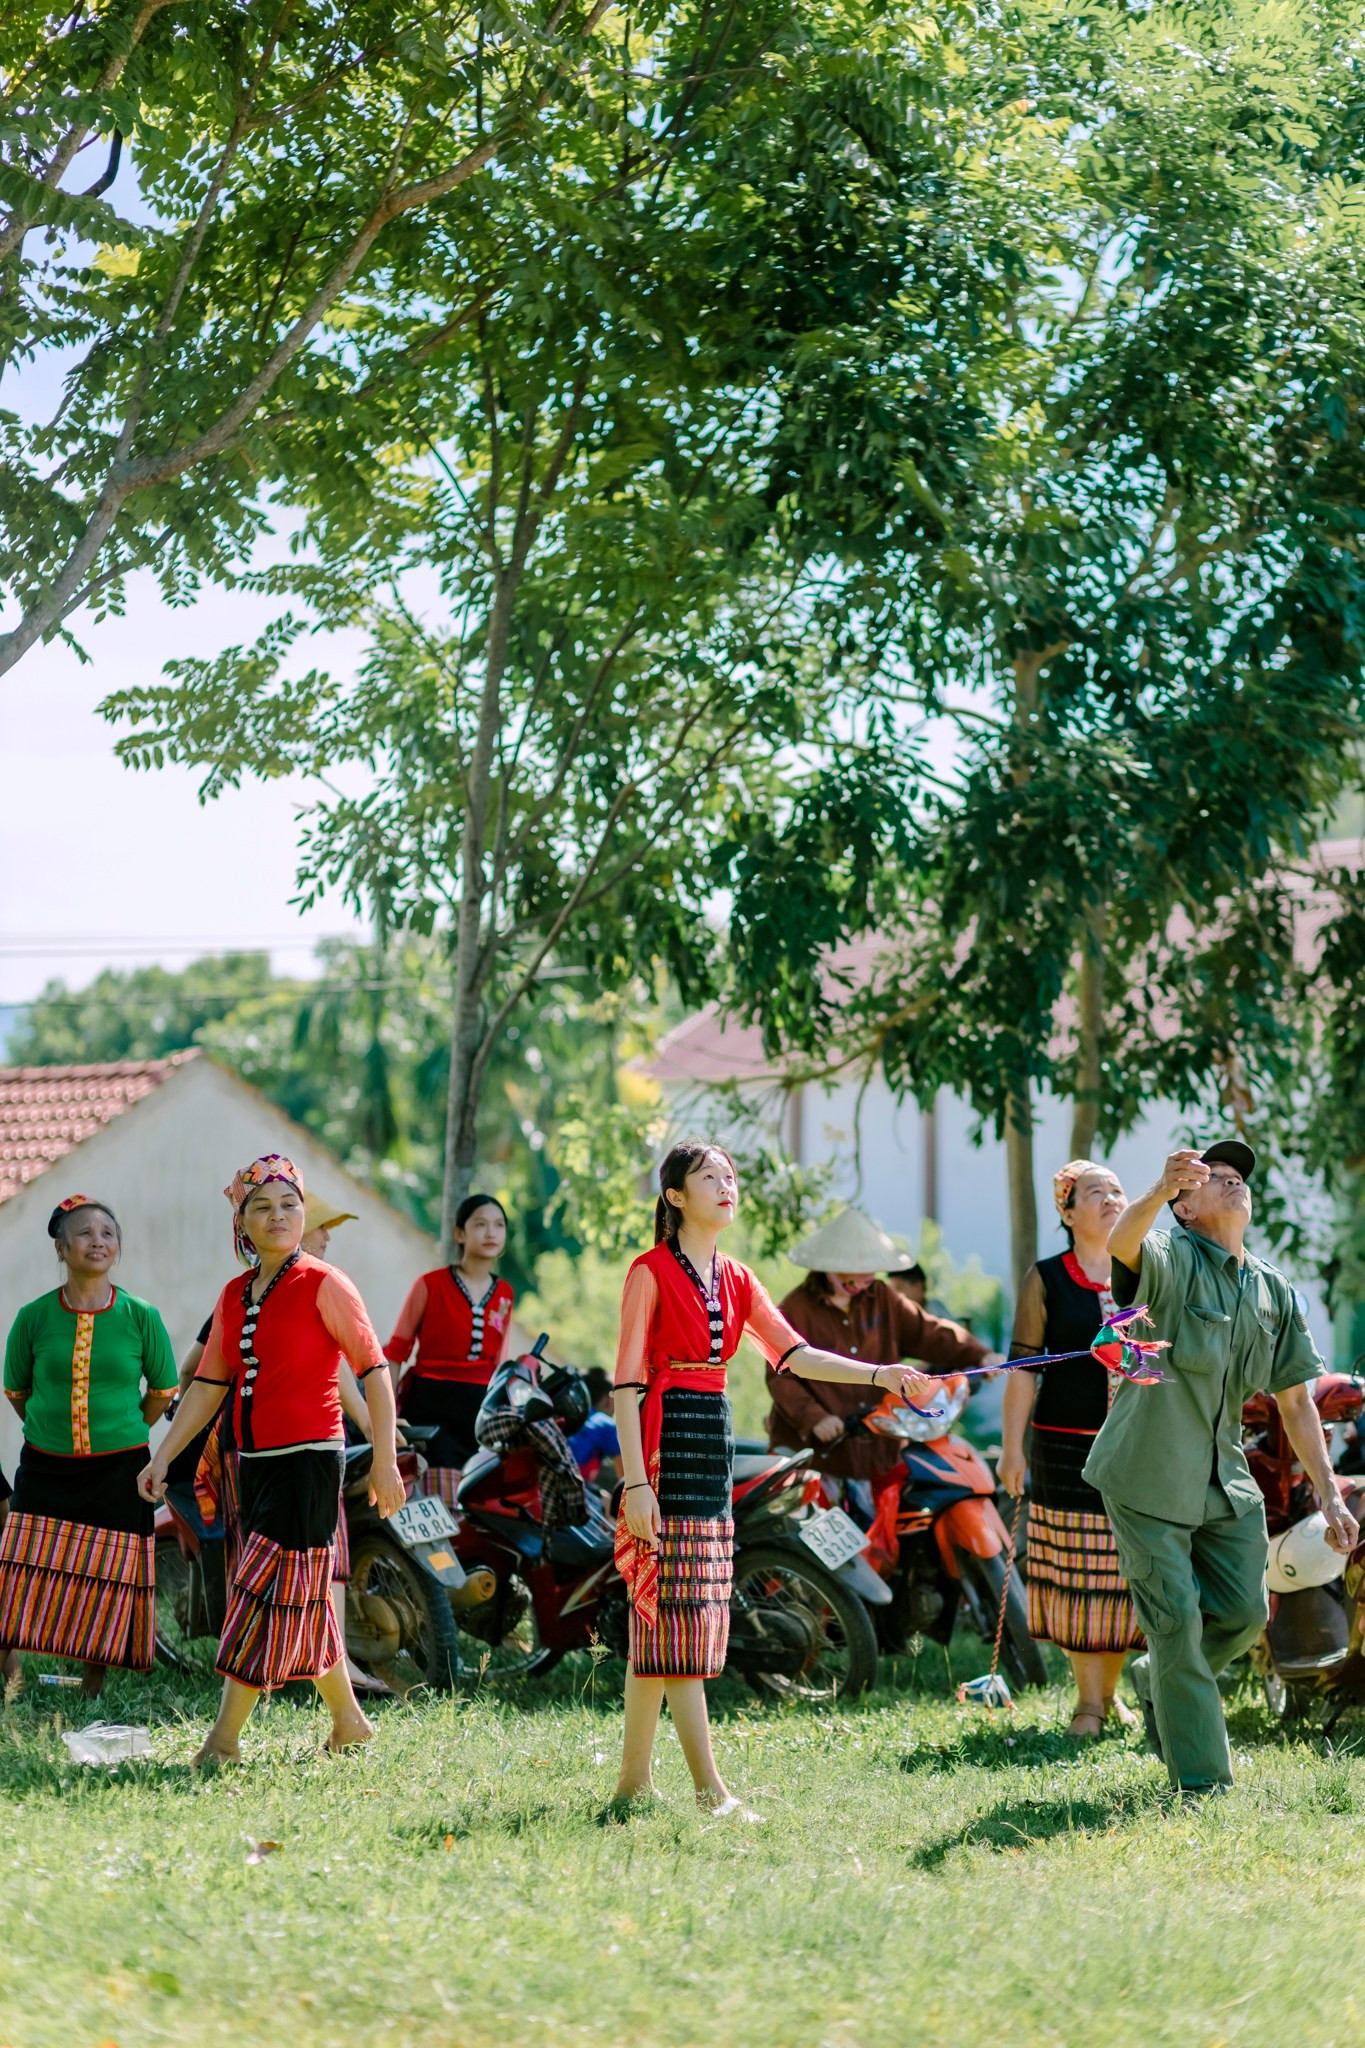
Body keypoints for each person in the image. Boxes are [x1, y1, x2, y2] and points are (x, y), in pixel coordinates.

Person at [611, 1143, 933, 1820]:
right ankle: (711, 1793)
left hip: (711, 1440)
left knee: (667, 1620)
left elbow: (795, 1354)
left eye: (730, 1176)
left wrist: (881, 1375)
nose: (725, 1185)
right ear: (674, 1197)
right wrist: (636, 1485)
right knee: (679, 1620)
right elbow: (626, 1386)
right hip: (665, 1449)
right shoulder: (648, 1272)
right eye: (709, 1177)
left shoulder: (737, 1277)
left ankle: (632, 1785)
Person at [1085, 1140, 1358, 1796]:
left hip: (1223, 1481)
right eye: (1217, 1178)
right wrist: (1158, 1190)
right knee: (1176, 1622)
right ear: (1186, 1208)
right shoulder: (1169, 1255)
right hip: (1145, 1472)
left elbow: (1296, 1401)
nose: (1234, 1183)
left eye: (1239, 1177)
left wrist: (1329, 1494)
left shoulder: (1271, 1289)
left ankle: (1160, 1679)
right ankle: (1202, 1783)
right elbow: (1121, 1244)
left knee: (1243, 1615)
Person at [140, 1155, 404, 1764]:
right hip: (253, 1465)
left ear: (304, 1213)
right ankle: (349, 1722)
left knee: (257, 1589)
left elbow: (373, 1371)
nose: (277, 1215)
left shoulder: (325, 1283)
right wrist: (163, 1457)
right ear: (242, 1221)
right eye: (261, 1206)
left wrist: (386, 1458)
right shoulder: (234, 1295)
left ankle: (223, 1741)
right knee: (302, 1595)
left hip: (310, 1462)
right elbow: (209, 1385)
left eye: (289, 1204)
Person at [0, 1194, 176, 1695]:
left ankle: (91, 1681)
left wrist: (126, 1428)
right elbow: (16, 1390)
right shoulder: (33, 1317)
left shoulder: (142, 1315)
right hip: (45, 1468)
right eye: (84, 1233)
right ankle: (11, 1674)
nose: (98, 1241)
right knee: (20, 1567)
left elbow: (163, 1389)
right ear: (61, 1248)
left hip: (119, 1470)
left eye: (107, 1233)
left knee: (105, 1575)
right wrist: (50, 1428)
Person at [997, 1160, 1142, 1738]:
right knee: (1078, 1573)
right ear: (1067, 1210)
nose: (1110, 1199)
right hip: (1065, 1451)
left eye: (1117, 1190)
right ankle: (1088, 1702)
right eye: (1094, 1192)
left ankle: (1109, 1692)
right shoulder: (1046, 1279)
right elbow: (1022, 1370)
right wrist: (1011, 1450)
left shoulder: (1145, 1272)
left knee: (1126, 1572)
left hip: (1136, 1447)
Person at [768, 1208, 995, 1494]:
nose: (865, 1281)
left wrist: (979, 1354)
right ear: (829, 1268)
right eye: (855, 1275)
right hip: (817, 1454)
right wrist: (814, 1417)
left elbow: (929, 1331)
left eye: (869, 1273)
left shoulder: (883, 1298)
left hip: (877, 1449)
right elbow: (780, 1375)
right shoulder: (795, 1309)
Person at [384, 1193, 516, 1506]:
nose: (491, 1233)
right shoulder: (430, 1284)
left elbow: (500, 1363)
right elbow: (396, 1353)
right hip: (430, 1406)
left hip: (479, 1414)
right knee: (439, 1497)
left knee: (474, 1505)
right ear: (459, 1234)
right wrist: (386, 1414)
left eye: (499, 1225)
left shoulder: (505, 1293)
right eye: (480, 1224)